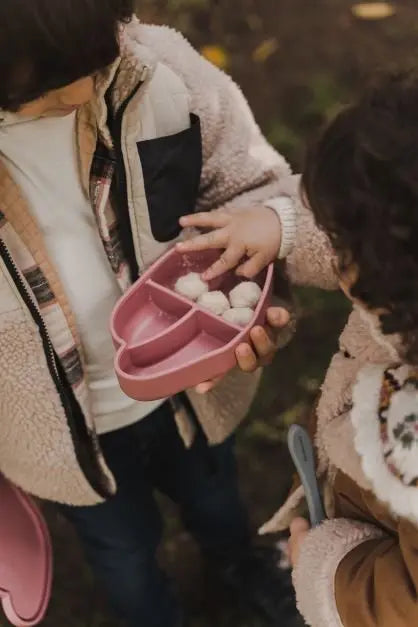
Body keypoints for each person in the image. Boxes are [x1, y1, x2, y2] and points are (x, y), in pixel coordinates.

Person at [0, 1, 303, 625]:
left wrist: (262, 273)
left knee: (217, 499)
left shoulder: (159, 73)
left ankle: (240, 567)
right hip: (64, 440)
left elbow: (252, 187)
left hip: (190, 393)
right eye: (53, 81)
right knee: (123, 552)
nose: (87, 87)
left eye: (97, 55)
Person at [200, 71, 418, 627]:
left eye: (339, 245)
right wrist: (285, 229)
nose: (333, 246)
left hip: (372, 555)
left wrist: (325, 568)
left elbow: (402, 605)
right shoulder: (404, 295)